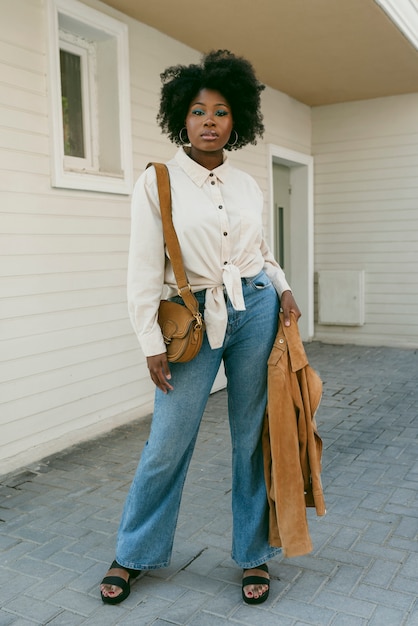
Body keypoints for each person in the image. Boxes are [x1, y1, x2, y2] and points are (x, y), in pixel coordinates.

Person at [100, 49, 301, 606]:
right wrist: (148, 341)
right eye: (197, 111)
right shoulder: (158, 181)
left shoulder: (247, 186)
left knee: (249, 436)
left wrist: (282, 287)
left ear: (237, 121)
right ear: (179, 117)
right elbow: (143, 269)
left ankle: (253, 554)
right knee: (168, 439)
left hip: (255, 309)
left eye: (221, 112)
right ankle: (134, 552)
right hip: (190, 320)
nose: (209, 121)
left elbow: (257, 251)